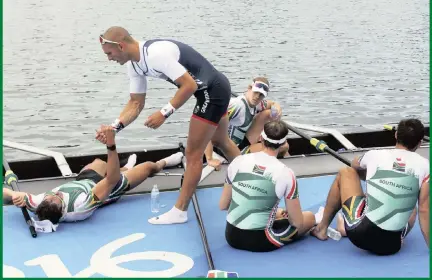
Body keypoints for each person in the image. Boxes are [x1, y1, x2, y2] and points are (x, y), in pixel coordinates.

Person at [96, 27, 241, 225]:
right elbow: (136, 103)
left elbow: (189, 85)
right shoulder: (134, 66)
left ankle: (180, 211)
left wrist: (164, 113)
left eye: (109, 53)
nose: (109, 58)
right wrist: (114, 128)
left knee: (193, 154)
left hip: (212, 91)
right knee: (220, 140)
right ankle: (254, 178)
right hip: (214, 88)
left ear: (121, 46)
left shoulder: (155, 54)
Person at [3, 125, 184, 230]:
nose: (55, 193)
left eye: (51, 195)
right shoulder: (81, 205)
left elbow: (5, 193)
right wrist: (111, 145)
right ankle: (164, 162)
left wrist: (13, 196)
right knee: (148, 168)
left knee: (98, 162)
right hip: (106, 188)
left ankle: (125, 167)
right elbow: (111, 179)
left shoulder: (38, 204)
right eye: (57, 197)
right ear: (63, 210)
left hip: (83, 181)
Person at [311, 118, 429, 255]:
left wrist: (374, 175)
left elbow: (354, 166)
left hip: (360, 235)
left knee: (346, 172)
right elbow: (424, 210)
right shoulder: (425, 166)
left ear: (396, 135)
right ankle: (398, 235)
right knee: (412, 209)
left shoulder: (375, 154)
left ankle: (322, 229)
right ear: (420, 143)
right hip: (392, 246)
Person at [219, 120, 315, 252]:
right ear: (283, 145)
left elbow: (223, 205)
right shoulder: (286, 173)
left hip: (231, 236)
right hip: (261, 241)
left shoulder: (238, 161)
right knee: (309, 217)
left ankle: (273, 214)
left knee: (278, 212)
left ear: (260, 138)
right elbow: (297, 223)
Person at [205, 77, 286, 169]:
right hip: (226, 150)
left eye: (261, 95)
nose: (257, 97)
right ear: (249, 88)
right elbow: (207, 125)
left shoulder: (257, 103)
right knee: (283, 147)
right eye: (256, 92)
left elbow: (271, 103)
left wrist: (277, 106)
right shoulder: (237, 105)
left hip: (241, 143)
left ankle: (270, 145)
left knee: (267, 113)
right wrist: (209, 158)